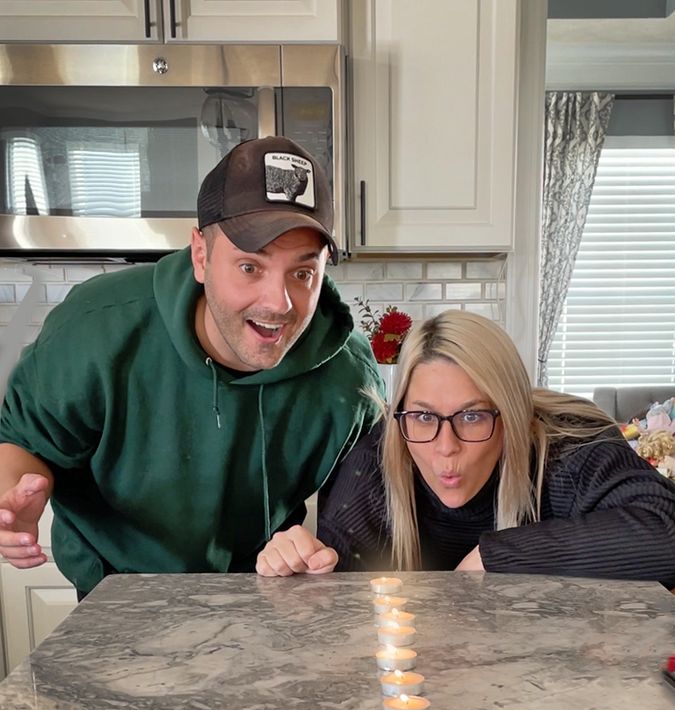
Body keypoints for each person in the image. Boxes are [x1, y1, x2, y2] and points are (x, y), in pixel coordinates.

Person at [0, 136, 382, 596]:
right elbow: (20, 439)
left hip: (265, 594)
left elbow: (362, 516)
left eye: (303, 273)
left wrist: (315, 554)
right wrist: (12, 498)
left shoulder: (350, 376)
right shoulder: (96, 330)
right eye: (250, 267)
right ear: (201, 255)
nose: (279, 304)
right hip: (117, 596)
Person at [256, 310, 675, 586]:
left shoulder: (570, 447)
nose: (445, 448)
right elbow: (339, 583)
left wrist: (495, 558)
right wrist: (297, 563)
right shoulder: (379, 456)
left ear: (511, 414)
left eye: (472, 416)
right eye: (423, 416)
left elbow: (665, 534)